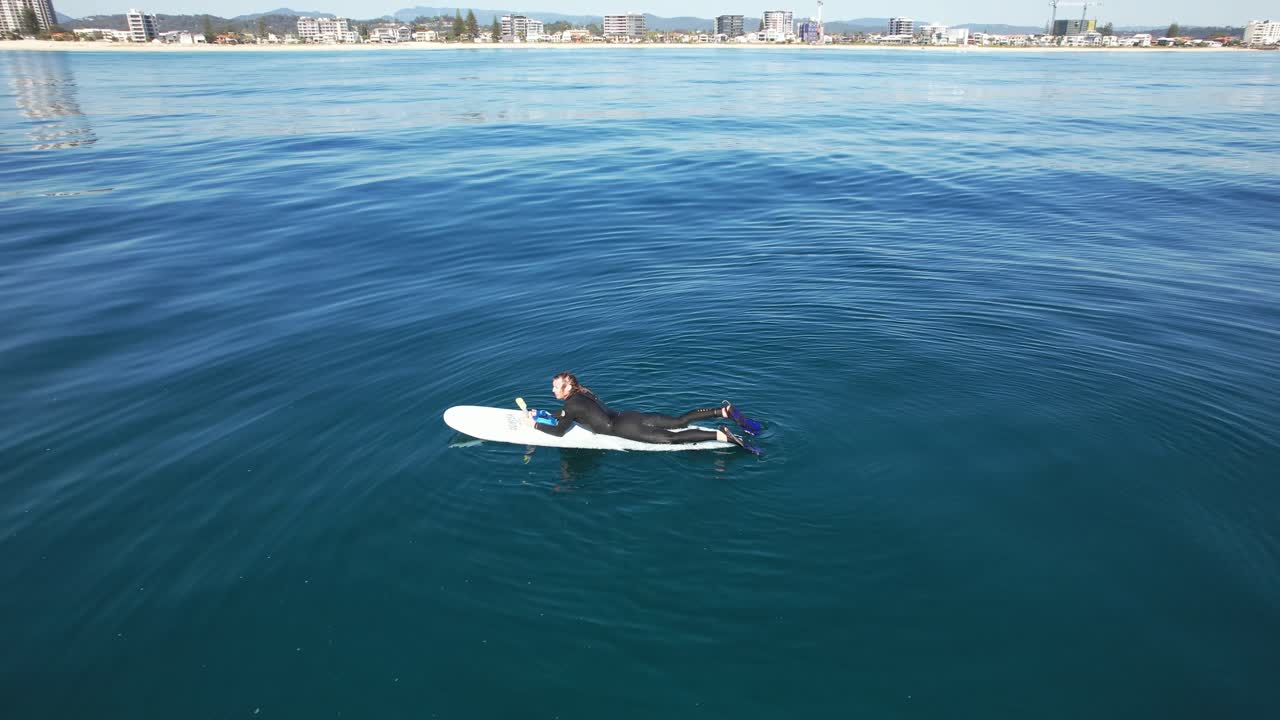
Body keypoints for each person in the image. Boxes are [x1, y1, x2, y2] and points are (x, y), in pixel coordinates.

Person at [524, 371, 762, 454]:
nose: (552, 389)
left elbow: (559, 433)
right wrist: (542, 412)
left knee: (671, 439)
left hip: (621, 428)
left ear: (567, 387)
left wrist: (534, 424)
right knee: (679, 421)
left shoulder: (571, 405)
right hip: (629, 415)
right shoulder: (583, 392)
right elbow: (572, 412)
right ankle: (722, 410)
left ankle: (721, 435)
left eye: (556, 386)